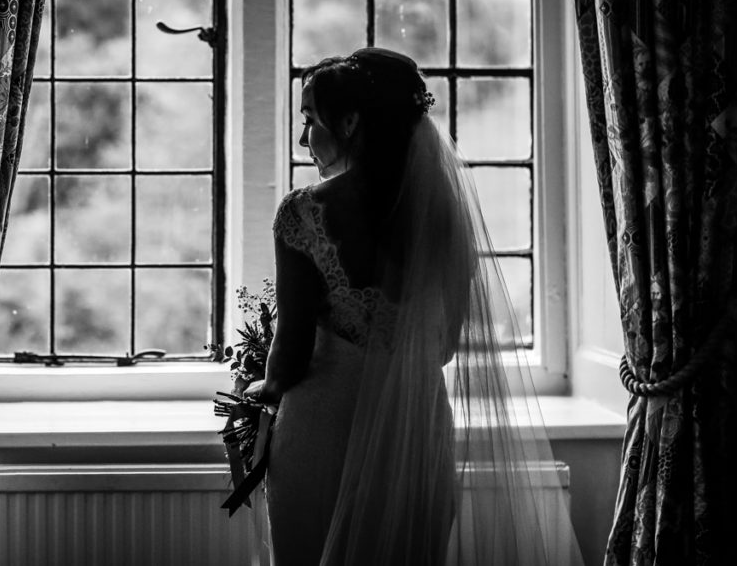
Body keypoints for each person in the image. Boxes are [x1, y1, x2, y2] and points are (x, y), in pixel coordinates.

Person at [244, 48, 583, 566]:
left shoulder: (304, 212)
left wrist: (260, 390)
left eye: (310, 119)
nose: (303, 137)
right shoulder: (446, 216)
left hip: (324, 430)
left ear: (351, 121)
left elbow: (289, 352)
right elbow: (443, 347)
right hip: (416, 434)